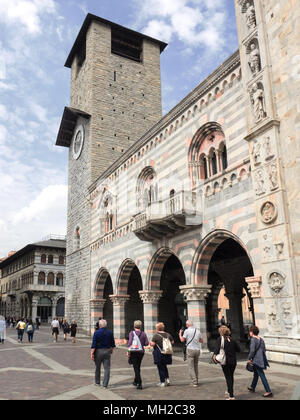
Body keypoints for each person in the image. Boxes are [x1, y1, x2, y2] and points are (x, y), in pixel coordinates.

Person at [213, 326, 240, 400]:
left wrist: (214, 356)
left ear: (221, 332)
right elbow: (239, 349)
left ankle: (231, 395)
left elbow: (216, 348)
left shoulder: (220, 339)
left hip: (225, 361)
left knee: (228, 377)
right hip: (233, 361)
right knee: (231, 376)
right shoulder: (232, 340)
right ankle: (229, 391)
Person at [247, 325, 273, 398]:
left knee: (261, 375)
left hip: (256, 360)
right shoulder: (261, 339)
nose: (249, 333)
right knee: (256, 374)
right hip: (261, 359)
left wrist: (249, 358)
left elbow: (252, 351)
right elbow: (264, 349)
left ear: (252, 332)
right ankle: (252, 387)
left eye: (249, 331)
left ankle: (268, 391)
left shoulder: (253, 340)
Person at [91, 319, 115, 388]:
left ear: (99, 325)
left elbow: (93, 344)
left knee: (97, 367)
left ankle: (97, 382)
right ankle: (105, 384)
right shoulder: (110, 332)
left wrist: (92, 353)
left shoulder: (96, 333)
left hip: (98, 351)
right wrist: (111, 350)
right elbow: (112, 344)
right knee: (107, 368)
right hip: (107, 351)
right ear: (106, 325)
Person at [179, 320, 203, 387]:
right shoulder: (197, 331)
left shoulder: (186, 331)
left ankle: (194, 382)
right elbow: (201, 340)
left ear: (187, 325)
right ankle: (196, 380)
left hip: (190, 349)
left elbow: (182, 340)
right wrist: (196, 339)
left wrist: (180, 334)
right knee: (196, 365)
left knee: (191, 366)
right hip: (197, 350)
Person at [150, 322, 174, 388]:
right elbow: (172, 342)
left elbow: (152, 344)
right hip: (167, 353)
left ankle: (162, 382)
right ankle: (167, 380)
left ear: (157, 328)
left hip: (159, 353)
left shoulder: (156, 335)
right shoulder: (168, 335)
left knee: (160, 367)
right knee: (165, 366)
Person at [127, 320, 149, 390]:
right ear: (141, 326)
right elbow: (146, 343)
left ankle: (139, 383)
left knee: (136, 368)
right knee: (137, 366)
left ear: (134, 326)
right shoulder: (143, 333)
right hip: (141, 352)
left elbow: (129, 343)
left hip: (134, 352)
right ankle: (135, 381)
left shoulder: (132, 333)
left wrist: (128, 351)